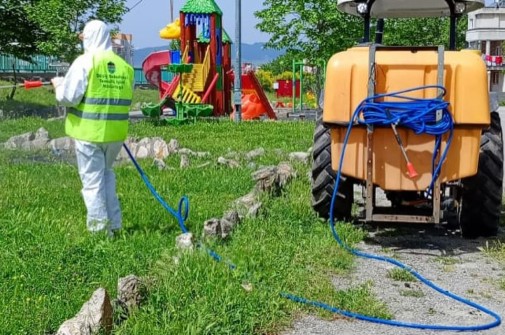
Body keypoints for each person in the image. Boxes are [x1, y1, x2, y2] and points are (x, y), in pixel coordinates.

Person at [52, 20, 134, 236]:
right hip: (115, 135)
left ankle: (99, 232)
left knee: (92, 183)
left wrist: (59, 85)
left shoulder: (85, 62)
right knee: (106, 176)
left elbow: (68, 97)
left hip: (89, 134)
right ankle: (114, 225)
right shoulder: (124, 67)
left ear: (89, 37)